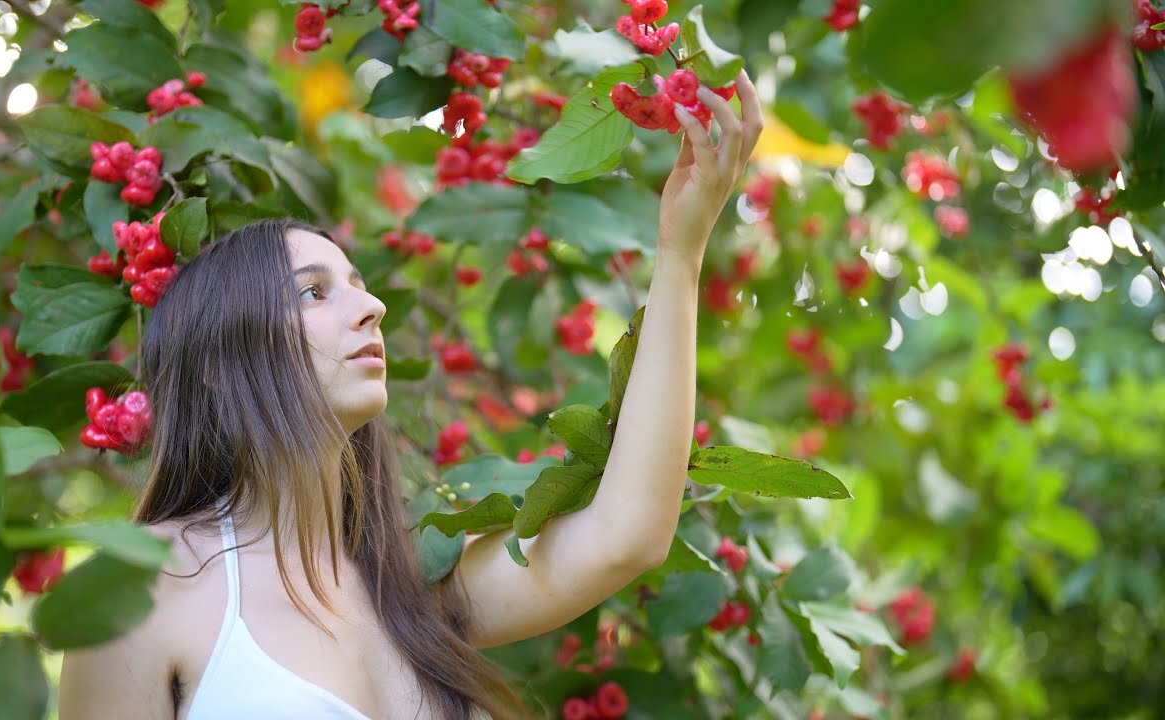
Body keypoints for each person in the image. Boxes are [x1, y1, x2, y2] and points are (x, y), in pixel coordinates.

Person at [57, 72, 762, 720]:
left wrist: (681, 251)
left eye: (361, 285)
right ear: (218, 362)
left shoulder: (411, 590)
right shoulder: (137, 587)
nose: (371, 310)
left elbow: (626, 535)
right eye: (313, 292)